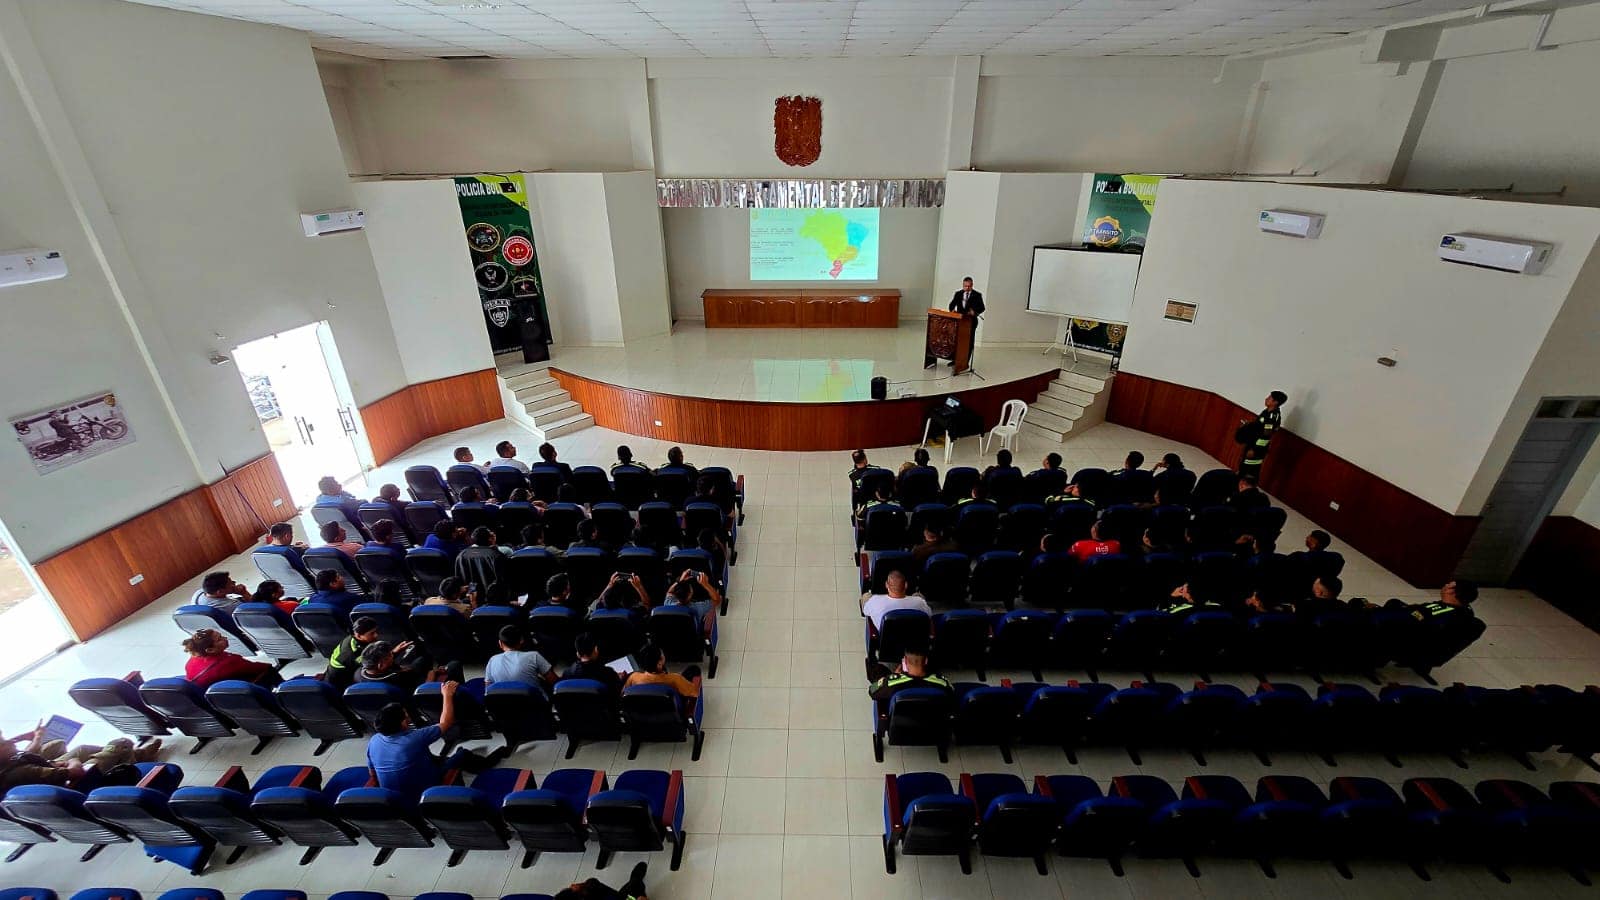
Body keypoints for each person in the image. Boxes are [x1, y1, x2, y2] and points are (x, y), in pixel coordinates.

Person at [366, 685, 460, 803]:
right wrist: (447, 694)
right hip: (427, 794)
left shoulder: (374, 741)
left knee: (431, 758)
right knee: (462, 755)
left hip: (394, 800)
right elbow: (446, 722)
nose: (409, 718)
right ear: (402, 724)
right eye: (406, 717)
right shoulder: (414, 739)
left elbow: (373, 774)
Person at [183, 628, 278, 689]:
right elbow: (259, 668)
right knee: (270, 670)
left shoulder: (193, 659)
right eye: (220, 639)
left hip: (214, 694)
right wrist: (268, 666)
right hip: (239, 693)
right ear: (210, 650)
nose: (225, 638)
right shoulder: (229, 661)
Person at [867, 647, 953, 703]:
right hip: (932, 726)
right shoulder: (943, 683)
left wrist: (893, 676)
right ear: (926, 661)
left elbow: (872, 691)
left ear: (905, 661)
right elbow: (952, 696)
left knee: (877, 670)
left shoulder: (891, 682)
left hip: (900, 727)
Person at [485, 625, 556, 687]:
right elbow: (554, 682)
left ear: (500, 643)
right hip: (534, 701)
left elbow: (488, 688)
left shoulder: (492, 660)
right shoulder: (534, 656)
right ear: (521, 640)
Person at [1238, 390, 1287, 478]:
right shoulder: (1266, 411)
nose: (1266, 399)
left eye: (1269, 398)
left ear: (1275, 402)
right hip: (1253, 442)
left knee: (1248, 472)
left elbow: (1266, 435)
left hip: (1257, 447)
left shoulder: (1272, 416)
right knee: (1243, 466)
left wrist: (1254, 449)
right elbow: (1260, 427)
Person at [861, 571, 932, 631]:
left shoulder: (875, 601)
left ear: (886, 585)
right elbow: (929, 614)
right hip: (914, 638)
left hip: (887, 641)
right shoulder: (919, 602)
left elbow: (866, 611)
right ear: (906, 585)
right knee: (917, 595)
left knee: (866, 596)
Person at [624, 644, 701, 698]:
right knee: (694, 669)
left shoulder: (633, 677)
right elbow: (695, 693)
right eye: (662, 654)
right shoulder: (674, 679)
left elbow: (624, 693)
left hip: (645, 714)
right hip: (672, 711)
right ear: (659, 662)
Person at [326, 615, 380, 688]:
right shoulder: (354, 652)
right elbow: (373, 667)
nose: (376, 635)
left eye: (376, 631)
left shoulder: (354, 638)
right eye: (372, 633)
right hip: (340, 681)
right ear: (359, 635)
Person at [662, 570, 721, 635]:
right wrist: (706, 584)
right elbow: (717, 600)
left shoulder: (668, 603)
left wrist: (680, 582)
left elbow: (669, 592)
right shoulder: (697, 609)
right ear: (689, 596)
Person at [553, 862, 651, 900]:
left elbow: (593, 882)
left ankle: (635, 881)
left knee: (631, 886)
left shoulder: (590, 888)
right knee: (635, 886)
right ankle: (636, 881)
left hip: (617, 896)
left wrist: (581, 886)